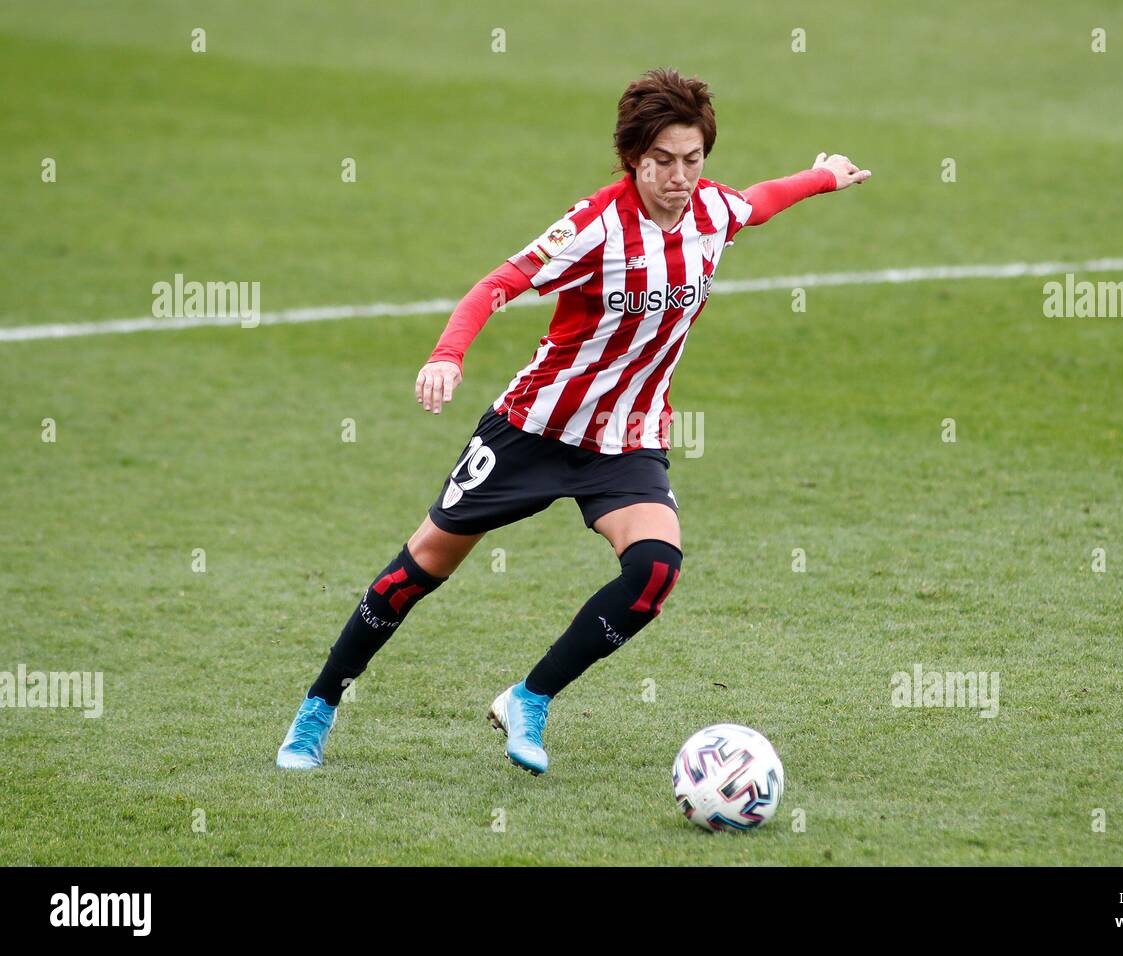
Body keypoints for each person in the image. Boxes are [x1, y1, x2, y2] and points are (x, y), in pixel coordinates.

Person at [276, 67, 870, 775]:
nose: (680, 177)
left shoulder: (713, 211)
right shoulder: (595, 227)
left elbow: (760, 202)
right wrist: (447, 355)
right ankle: (318, 708)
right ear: (632, 159)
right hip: (531, 430)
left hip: (627, 439)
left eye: (693, 159)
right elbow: (496, 286)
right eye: (662, 162)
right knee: (423, 565)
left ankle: (530, 698)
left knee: (654, 572)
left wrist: (823, 176)